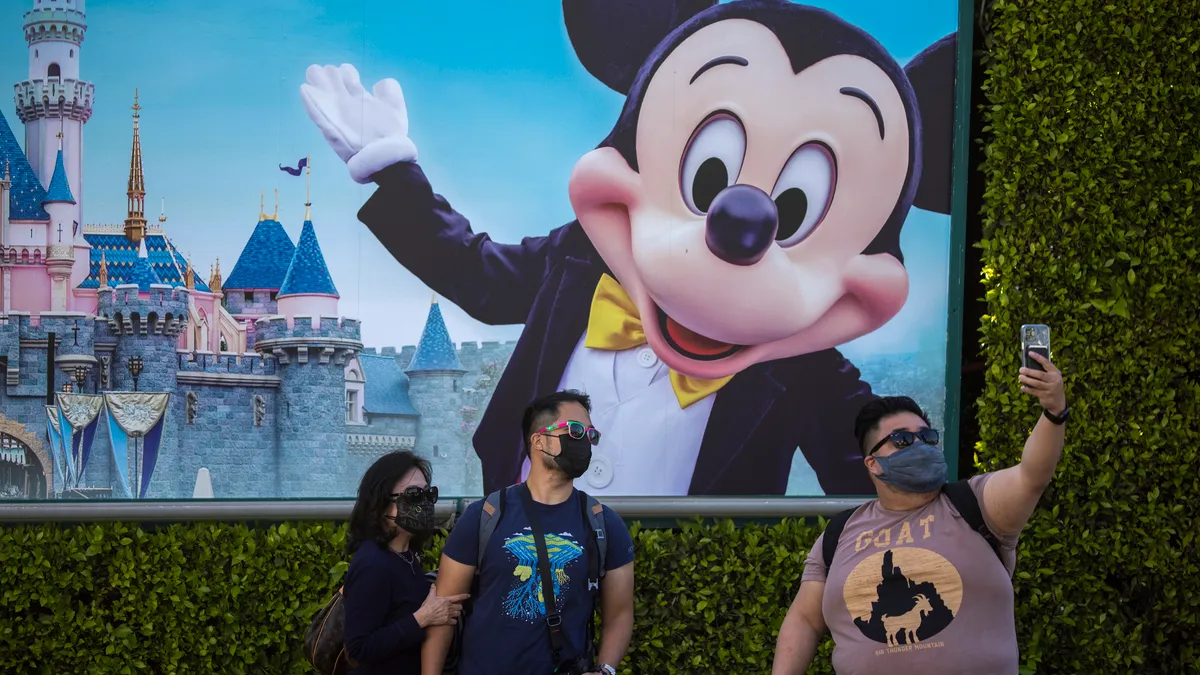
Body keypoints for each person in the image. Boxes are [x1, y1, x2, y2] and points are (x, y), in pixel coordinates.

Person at [772, 351, 1068, 674]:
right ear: (872, 463)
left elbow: (1032, 475)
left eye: (926, 437)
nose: (919, 445)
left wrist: (1054, 412)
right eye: (902, 440)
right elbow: (804, 619)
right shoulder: (838, 535)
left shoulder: (975, 505)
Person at [422, 390, 637, 675]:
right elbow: (444, 612)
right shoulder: (483, 516)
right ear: (539, 440)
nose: (584, 441)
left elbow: (620, 614)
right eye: (574, 430)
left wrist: (605, 670)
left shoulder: (604, 524)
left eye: (590, 434)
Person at [343, 451, 470, 675]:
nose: (424, 503)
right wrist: (421, 618)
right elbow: (358, 649)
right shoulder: (373, 564)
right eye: (412, 495)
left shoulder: (406, 555)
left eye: (428, 494)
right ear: (381, 503)